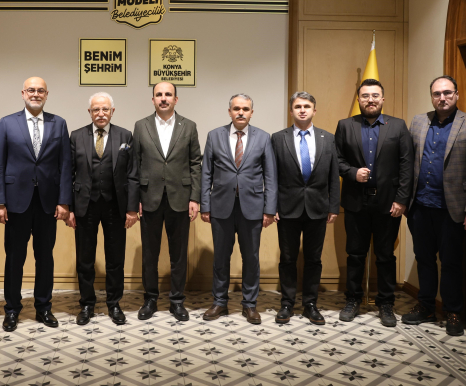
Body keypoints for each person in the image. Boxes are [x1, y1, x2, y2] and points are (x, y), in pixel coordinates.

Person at [402, 75, 466, 336]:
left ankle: (452, 311)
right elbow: (408, 163)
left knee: (451, 262)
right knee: (424, 259)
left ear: (456, 95)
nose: (442, 98)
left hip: (453, 209)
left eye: (447, 93)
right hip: (420, 206)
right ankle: (426, 306)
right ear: (431, 96)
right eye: (437, 94)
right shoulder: (419, 121)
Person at [0, 77, 72, 331]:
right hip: (15, 203)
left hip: (48, 203)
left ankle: (43, 307)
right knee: (14, 258)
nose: (35, 94)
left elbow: (65, 165)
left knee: (45, 257)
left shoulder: (59, 123)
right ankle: (12, 309)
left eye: (40, 91)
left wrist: (64, 201)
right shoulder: (7, 123)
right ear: (23, 93)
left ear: (46, 95)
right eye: (31, 90)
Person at [334, 79, 413, 327]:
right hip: (356, 201)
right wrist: (352, 172)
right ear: (359, 99)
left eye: (375, 95)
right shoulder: (345, 125)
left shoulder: (398, 126)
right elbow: (336, 160)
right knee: (355, 254)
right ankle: (353, 299)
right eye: (365, 96)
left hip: (389, 203)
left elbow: (407, 165)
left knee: (385, 255)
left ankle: (386, 303)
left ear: (382, 99)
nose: (370, 100)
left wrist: (402, 199)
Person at [200, 94, 276, 324]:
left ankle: (250, 305)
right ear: (229, 112)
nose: (240, 112)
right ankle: (219, 302)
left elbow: (270, 176)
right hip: (220, 207)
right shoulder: (214, 135)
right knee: (220, 258)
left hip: (252, 208)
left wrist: (269, 209)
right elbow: (206, 173)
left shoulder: (263, 137)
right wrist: (205, 205)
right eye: (236, 108)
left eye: (245, 109)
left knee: (251, 258)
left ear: (251, 112)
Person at [68, 92, 140, 326]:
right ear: (89, 112)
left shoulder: (125, 136)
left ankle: (114, 304)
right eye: (96, 110)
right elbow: (68, 173)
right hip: (84, 206)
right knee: (85, 260)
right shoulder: (76, 136)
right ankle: (87, 304)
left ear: (112, 111)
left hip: (115, 206)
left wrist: (132, 209)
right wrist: (69, 208)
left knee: (115, 259)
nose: (101, 114)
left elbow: (132, 174)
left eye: (105, 109)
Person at [133, 82, 201, 321]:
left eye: (168, 94)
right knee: (149, 254)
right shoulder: (140, 126)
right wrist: (135, 199)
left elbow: (195, 163)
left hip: (180, 198)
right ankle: (150, 299)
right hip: (148, 198)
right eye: (159, 94)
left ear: (176, 99)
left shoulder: (189, 126)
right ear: (153, 99)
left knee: (179, 254)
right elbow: (135, 165)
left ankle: (177, 301)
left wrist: (195, 197)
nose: (163, 98)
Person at [271, 92, 340, 325]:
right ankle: (287, 304)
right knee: (287, 258)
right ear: (291, 110)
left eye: (307, 106)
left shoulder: (328, 138)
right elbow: (272, 176)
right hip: (286, 208)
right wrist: (272, 206)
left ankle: (310, 304)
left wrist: (333, 206)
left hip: (318, 208)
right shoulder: (278, 138)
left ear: (314, 110)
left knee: (314, 259)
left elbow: (334, 175)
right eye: (298, 106)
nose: (302, 110)